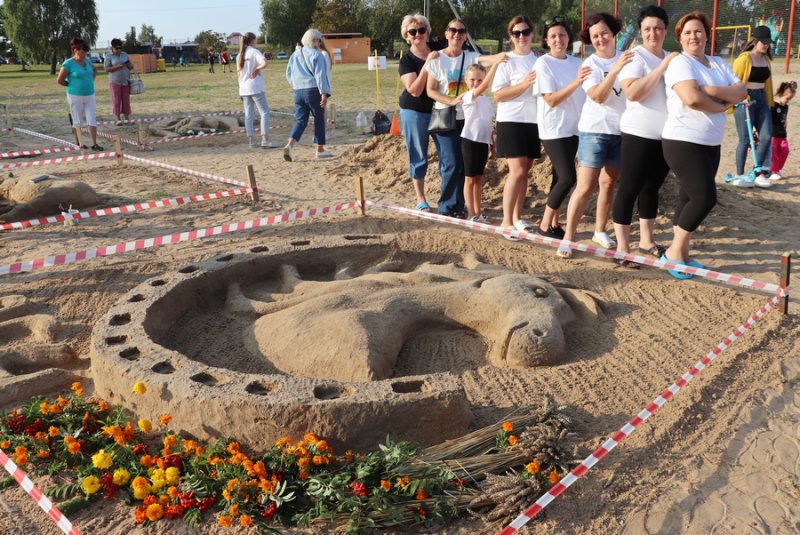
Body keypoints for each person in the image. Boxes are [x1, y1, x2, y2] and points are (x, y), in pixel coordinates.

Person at [661, 11, 746, 279]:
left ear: (707, 35)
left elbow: (741, 91)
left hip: (711, 141)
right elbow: (690, 98)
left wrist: (710, 91)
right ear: (680, 38)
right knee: (705, 198)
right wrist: (722, 105)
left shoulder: (719, 63)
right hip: (683, 140)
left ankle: (684, 255)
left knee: (688, 197)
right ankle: (673, 254)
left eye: (698, 31)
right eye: (687, 32)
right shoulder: (680, 63)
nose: (693, 36)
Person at [612, 5, 679, 269]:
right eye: (648, 29)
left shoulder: (673, 57)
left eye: (658, 28)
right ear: (641, 32)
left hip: (665, 136)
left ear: (665, 30)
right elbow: (633, 92)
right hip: (638, 133)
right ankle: (622, 248)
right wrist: (661, 67)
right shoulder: (634, 57)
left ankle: (647, 242)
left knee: (652, 188)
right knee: (629, 188)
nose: (653, 33)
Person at [561, 12, 633, 258]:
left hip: (621, 131)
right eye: (595, 36)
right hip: (594, 131)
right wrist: (615, 70)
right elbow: (598, 96)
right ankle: (568, 237)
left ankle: (599, 230)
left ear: (613, 33)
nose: (600, 38)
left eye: (604, 33)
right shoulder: (589, 65)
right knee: (585, 187)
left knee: (609, 184)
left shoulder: (628, 59)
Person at [426, 19, 502, 217]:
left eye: (461, 31)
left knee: (466, 165)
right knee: (452, 162)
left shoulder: (471, 57)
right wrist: (450, 101)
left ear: (465, 36)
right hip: (447, 117)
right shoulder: (437, 59)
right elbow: (430, 90)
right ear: (446, 33)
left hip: (469, 119)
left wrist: (502, 57)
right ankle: (448, 207)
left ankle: (461, 205)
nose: (456, 34)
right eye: (453, 30)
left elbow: (487, 60)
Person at [532, 17, 589, 255]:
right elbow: (551, 99)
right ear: (546, 40)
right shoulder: (543, 64)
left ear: (569, 38)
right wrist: (576, 82)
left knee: (559, 178)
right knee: (568, 178)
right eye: (553, 36)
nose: (558, 39)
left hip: (574, 128)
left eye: (562, 35)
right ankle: (545, 223)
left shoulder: (577, 62)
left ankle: (554, 223)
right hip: (553, 129)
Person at [492, 15, 541, 235]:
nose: (521, 36)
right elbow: (498, 95)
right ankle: (506, 222)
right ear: (511, 37)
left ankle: (517, 217)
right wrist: (522, 85)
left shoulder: (540, 60)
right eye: (516, 33)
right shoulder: (507, 61)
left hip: (534, 121)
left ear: (532, 34)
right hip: (511, 120)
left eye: (525, 32)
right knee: (518, 171)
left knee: (525, 172)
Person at [398, 13, 441, 213]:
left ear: (428, 32)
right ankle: (421, 198)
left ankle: (448, 198)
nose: (418, 34)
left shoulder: (439, 49)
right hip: (414, 111)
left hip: (440, 110)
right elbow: (414, 90)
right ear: (406, 36)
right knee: (418, 154)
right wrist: (427, 65)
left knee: (448, 154)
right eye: (412, 32)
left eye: (421, 30)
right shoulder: (406, 60)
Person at [462, 59, 505, 221]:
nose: (476, 83)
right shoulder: (468, 96)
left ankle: (478, 211)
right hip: (469, 141)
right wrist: (495, 64)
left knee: (479, 178)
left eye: (480, 80)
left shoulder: (487, 101)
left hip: (483, 143)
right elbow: (483, 88)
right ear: (466, 81)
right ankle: (471, 212)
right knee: (469, 178)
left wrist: (493, 147)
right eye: (472, 79)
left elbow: (489, 125)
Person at [731, 25, 774, 188]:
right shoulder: (744, 59)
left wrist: (769, 102)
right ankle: (739, 175)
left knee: (766, 136)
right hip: (744, 100)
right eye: (763, 42)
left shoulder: (766, 60)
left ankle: (758, 173)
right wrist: (742, 97)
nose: (766, 45)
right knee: (745, 139)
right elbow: (733, 81)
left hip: (761, 101)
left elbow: (767, 84)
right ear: (755, 41)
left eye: (768, 42)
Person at [284, 28, 332, 161]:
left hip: (298, 91)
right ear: (314, 40)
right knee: (319, 119)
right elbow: (320, 76)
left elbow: (288, 73)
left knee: (300, 120)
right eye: (319, 40)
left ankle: (289, 145)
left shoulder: (295, 54)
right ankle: (320, 149)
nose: (320, 42)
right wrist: (324, 93)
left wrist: (296, 85)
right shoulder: (318, 55)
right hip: (313, 90)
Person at [57, 36, 103, 151]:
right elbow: (60, 80)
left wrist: (90, 81)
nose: (84, 54)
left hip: (90, 95)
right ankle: (79, 143)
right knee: (77, 120)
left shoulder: (87, 62)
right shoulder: (68, 63)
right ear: (75, 50)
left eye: (86, 51)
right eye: (82, 51)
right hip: (74, 95)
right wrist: (70, 85)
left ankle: (95, 144)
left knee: (92, 118)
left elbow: (95, 70)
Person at [237, 32, 275, 149]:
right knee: (264, 112)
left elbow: (238, 73)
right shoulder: (254, 52)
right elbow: (265, 63)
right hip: (255, 87)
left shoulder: (240, 55)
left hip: (243, 88)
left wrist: (240, 89)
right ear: (252, 40)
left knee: (249, 115)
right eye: (256, 40)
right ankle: (265, 139)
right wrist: (257, 69)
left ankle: (251, 141)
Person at [103, 38, 134, 125]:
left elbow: (131, 67)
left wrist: (129, 64)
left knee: (126, 100)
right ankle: (117, 118)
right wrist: (119, 66)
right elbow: (107, 69)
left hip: (125, 81)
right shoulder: (108, 56)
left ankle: (127, 118)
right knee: (116, 100)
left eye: (120, 48)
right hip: (114, 81)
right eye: (117, 48)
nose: (119, 50)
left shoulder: (125, 55)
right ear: (112, 47)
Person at [769, 81, 796, 180]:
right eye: (787, 98)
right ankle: (774, 171)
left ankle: (776, 169)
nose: (788, 101)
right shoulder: (773, 105)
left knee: (785, 151)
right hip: (773, 135)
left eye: (790, 99)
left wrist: (785, 124)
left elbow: (784, 118)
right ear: (781, 94)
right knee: (773, 153)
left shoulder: (786, 107)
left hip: (783, 134)